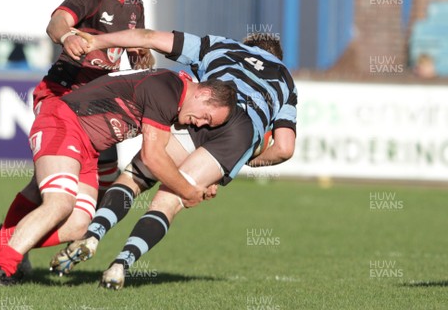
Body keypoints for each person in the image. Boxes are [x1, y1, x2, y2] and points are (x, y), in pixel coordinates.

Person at [0, 0, 158, 283]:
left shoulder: (134, 5)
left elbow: (131, 47)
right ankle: (5, 250)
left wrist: (142, 54)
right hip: (61, 101)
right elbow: (56, 22)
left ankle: (1, 246)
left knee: (64, 194)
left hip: (95, 114)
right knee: (56, 195)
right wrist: (68, 37)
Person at [50, 28, 297, 290]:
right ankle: (120, 266)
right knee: (169, 200)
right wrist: (246, 159)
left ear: (247, 44)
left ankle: (93, 235)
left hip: (203, 110)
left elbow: (150, 38)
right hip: (240, 133)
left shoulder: (221, 45)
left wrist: (97, 41)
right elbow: (284, 148)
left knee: (136, 176)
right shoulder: (286, 80)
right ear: (278, 57)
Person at [0, 68, 236, 286]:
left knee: (78, 226)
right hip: (65, 123)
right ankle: (1, 269)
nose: (200, 124)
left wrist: (209, 179)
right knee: (59, 204)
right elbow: (154, 158)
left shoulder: (175, 94)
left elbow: (166, 153)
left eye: (207, 125)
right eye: (206, 117)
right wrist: (188, 191)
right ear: (204, 94)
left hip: (90, 146)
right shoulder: (166, 89)